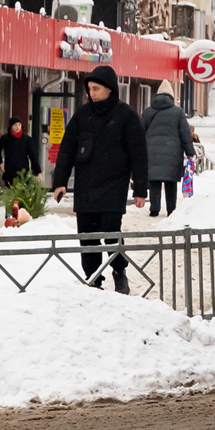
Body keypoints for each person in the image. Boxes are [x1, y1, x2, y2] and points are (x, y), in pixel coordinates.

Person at [51, 65, 148, 294]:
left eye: (96, 89)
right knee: (87, 236)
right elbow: (67, 149)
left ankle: (119, 272)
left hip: (114, 185)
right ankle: (93, 278)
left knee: (111, 231)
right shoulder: (82, 116)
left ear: (109, 89)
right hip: (85, 185)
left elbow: (139, 154)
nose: (91, 93)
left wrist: (140, 189)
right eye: (89, 89)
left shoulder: (126, 115)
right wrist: (60, 181)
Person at [142, 80, 196, 218]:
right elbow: (186, 135)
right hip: (173, 153)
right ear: (171, 97)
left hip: (151, 153)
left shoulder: (147, 112)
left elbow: (140, 133)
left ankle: (154, 209)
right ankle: (171, 210)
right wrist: (190, 153)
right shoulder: (178, 112)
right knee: (170, 182)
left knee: (154, 181)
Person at [0, 118, 40, 187]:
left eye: (19, 125)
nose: (18, 127)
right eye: (15, 125)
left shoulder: (27, 139)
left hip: (23, 172)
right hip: (9, 172)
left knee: (22, 194)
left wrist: (38, 172)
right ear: (11, 126)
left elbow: (33, 156)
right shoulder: (5, 138)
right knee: (11, 194)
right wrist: (0, 163)